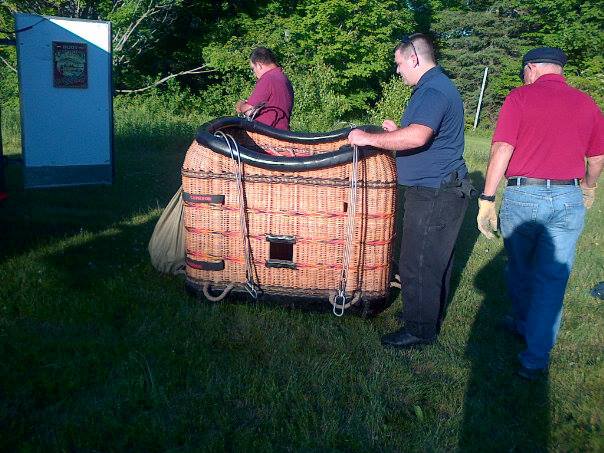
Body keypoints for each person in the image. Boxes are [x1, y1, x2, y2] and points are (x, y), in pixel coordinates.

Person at [477, 47, 604, 380]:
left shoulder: (520, 98)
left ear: (530, 68)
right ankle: (535, 359)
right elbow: (596, 160)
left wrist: (487, 197)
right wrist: (588, 188)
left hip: (524, 195)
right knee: (552, 278)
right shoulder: (588, 104)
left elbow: (503, 148)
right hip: (568, 197)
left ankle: (522, 324)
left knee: (518, 268)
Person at [348, 34, 474, 348]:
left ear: (414, 58)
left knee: (417, 261)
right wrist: (395, 133)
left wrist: (368, 138)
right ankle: (426, 316)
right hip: (441, 187)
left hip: (434, 190)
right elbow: (422, 133)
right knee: (434, 260)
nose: (398, 70)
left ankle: (420, 331)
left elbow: (417, 137)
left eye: (399, 63)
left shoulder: (432, 89)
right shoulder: (438, 86)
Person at [235, 47, 294, 131]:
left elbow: (249, 111)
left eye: (253, 69)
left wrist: (240, 105)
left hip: (267, 134)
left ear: (259, 65)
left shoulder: (268, 79)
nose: (254, 73)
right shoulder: (283, 78)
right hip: (282, 132)